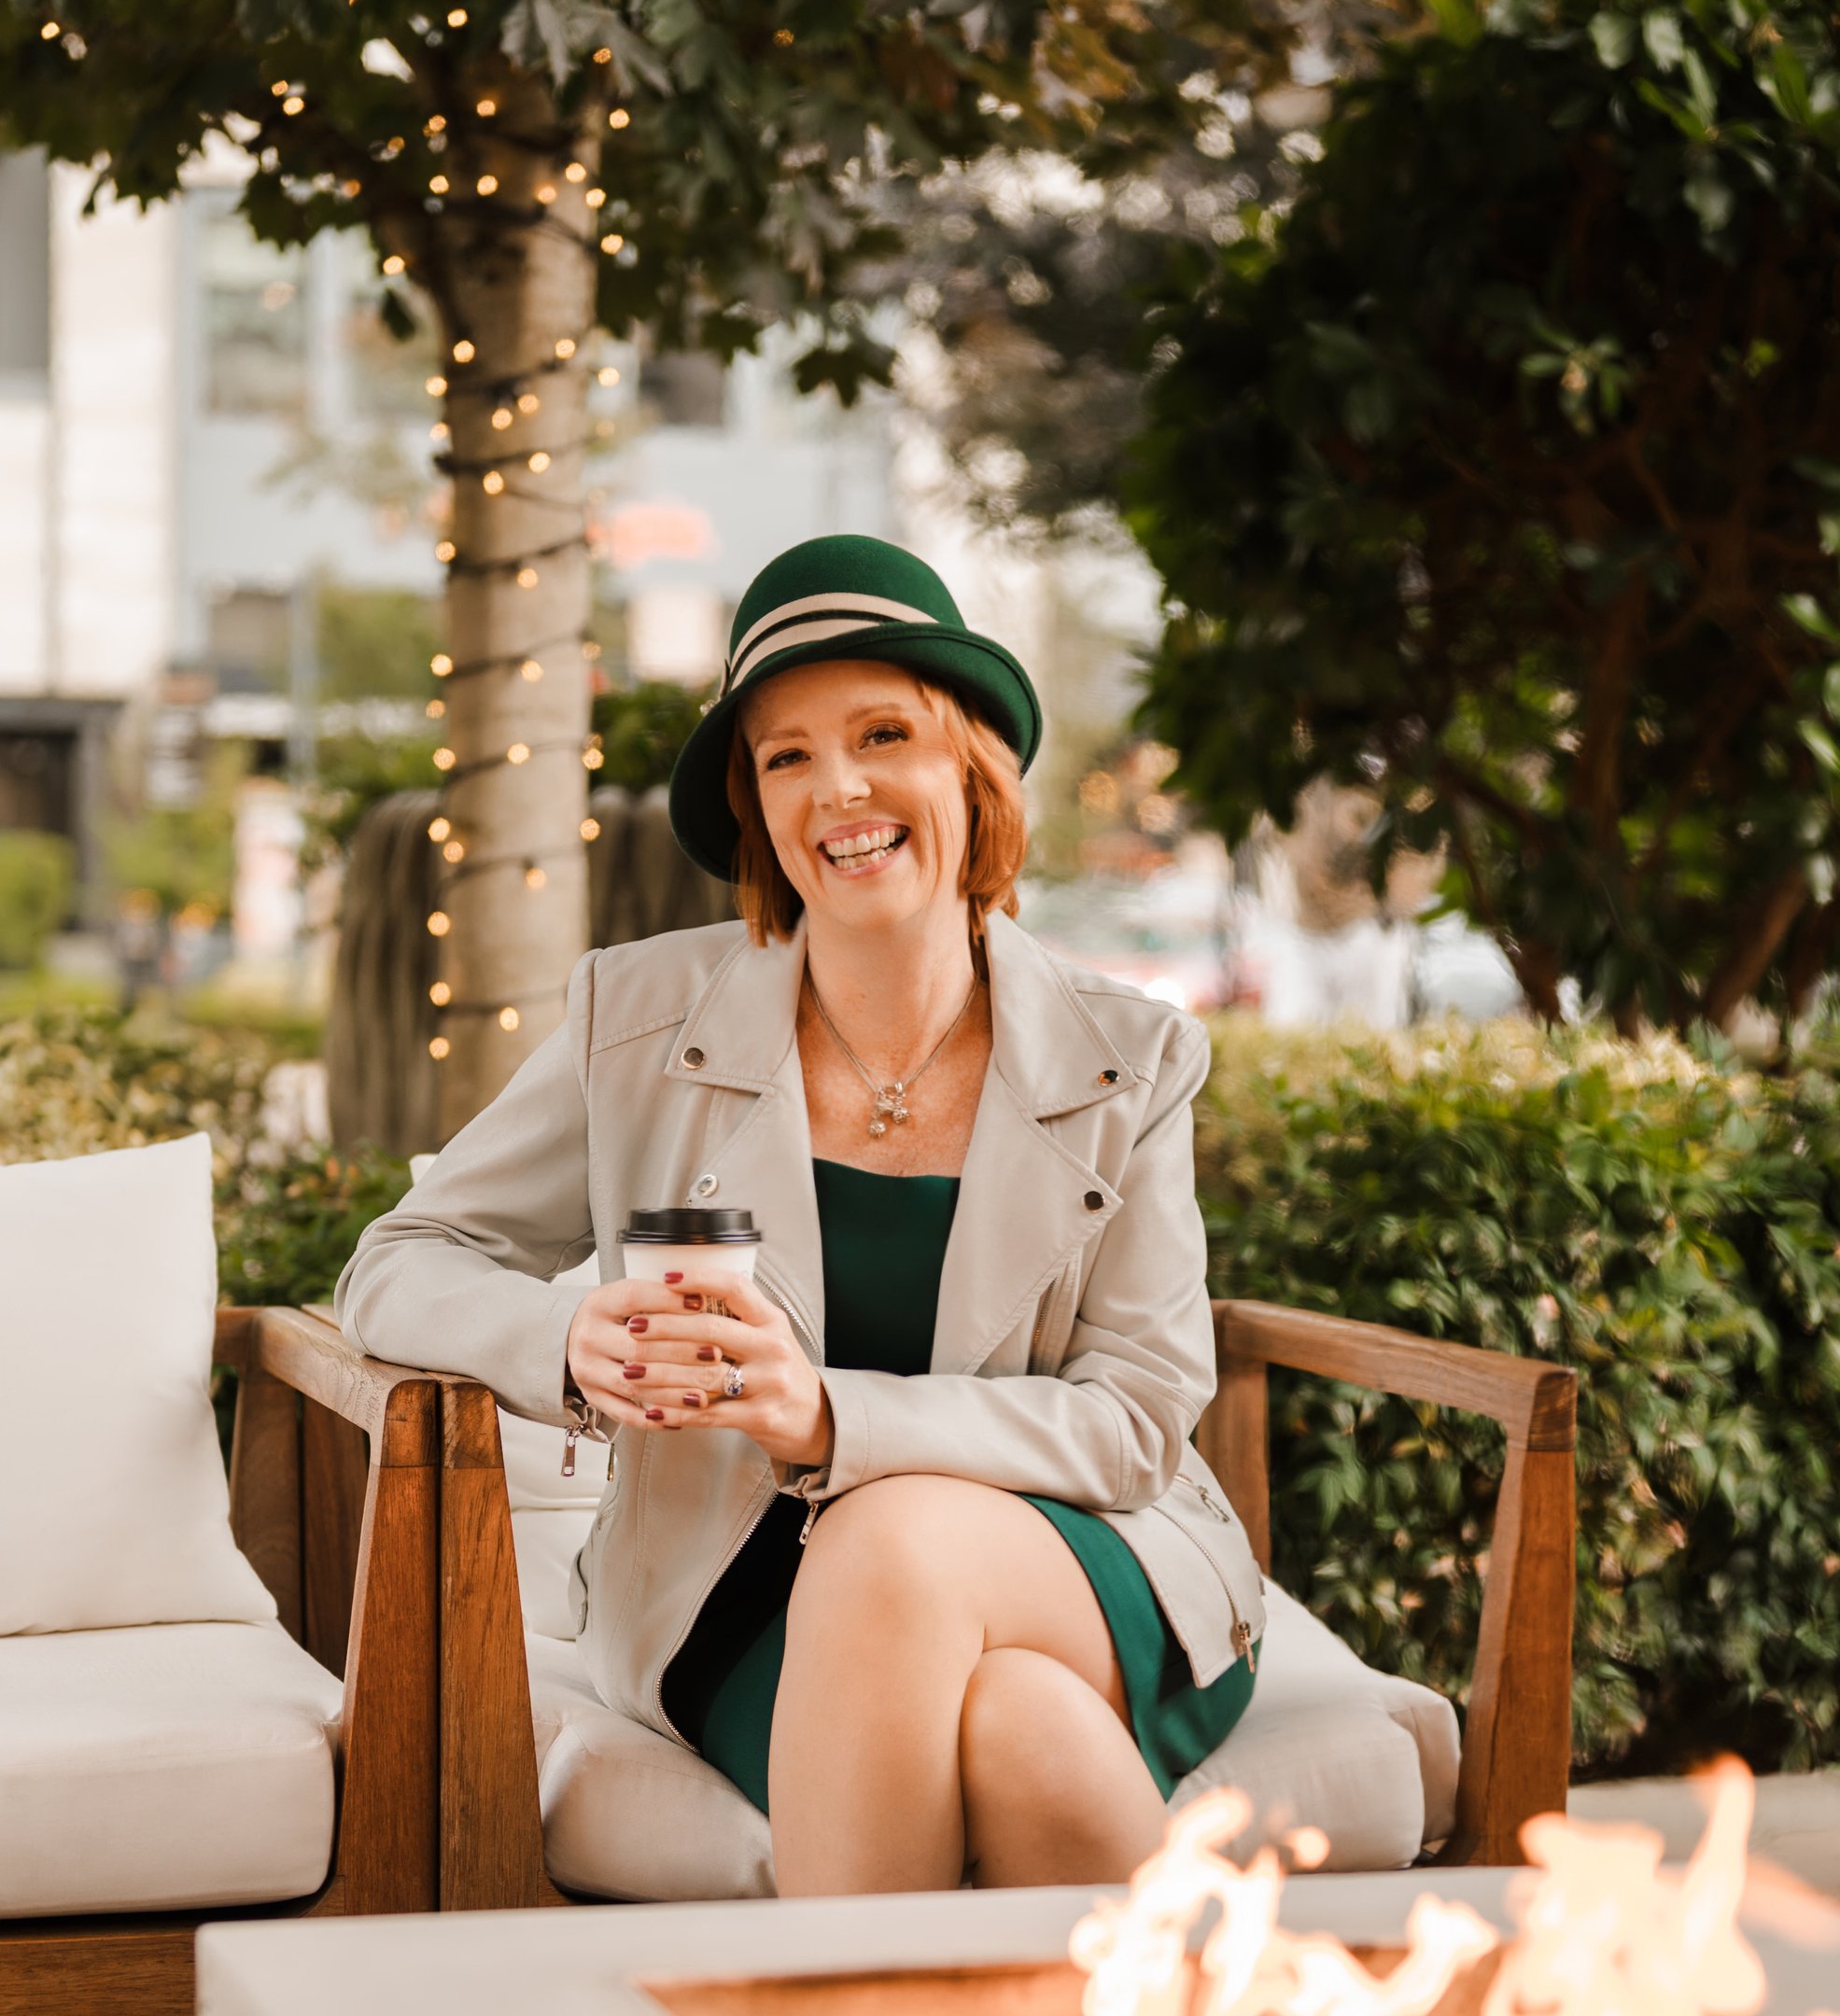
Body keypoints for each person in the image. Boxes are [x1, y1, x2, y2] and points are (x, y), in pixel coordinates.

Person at [333, 535, 1264, 1895]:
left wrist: (831, 1420)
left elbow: (1134, 1418)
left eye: (884, 732)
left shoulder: (1132, 1055)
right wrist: (567, 1340)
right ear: (757, 806)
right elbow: (395, 1265)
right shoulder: (635, 1023)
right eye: (786, 756)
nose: (840, 789)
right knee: (1019, 1729)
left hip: (1083, 1553)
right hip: (740, 1596)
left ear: (969, 766)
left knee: (890, 1533)